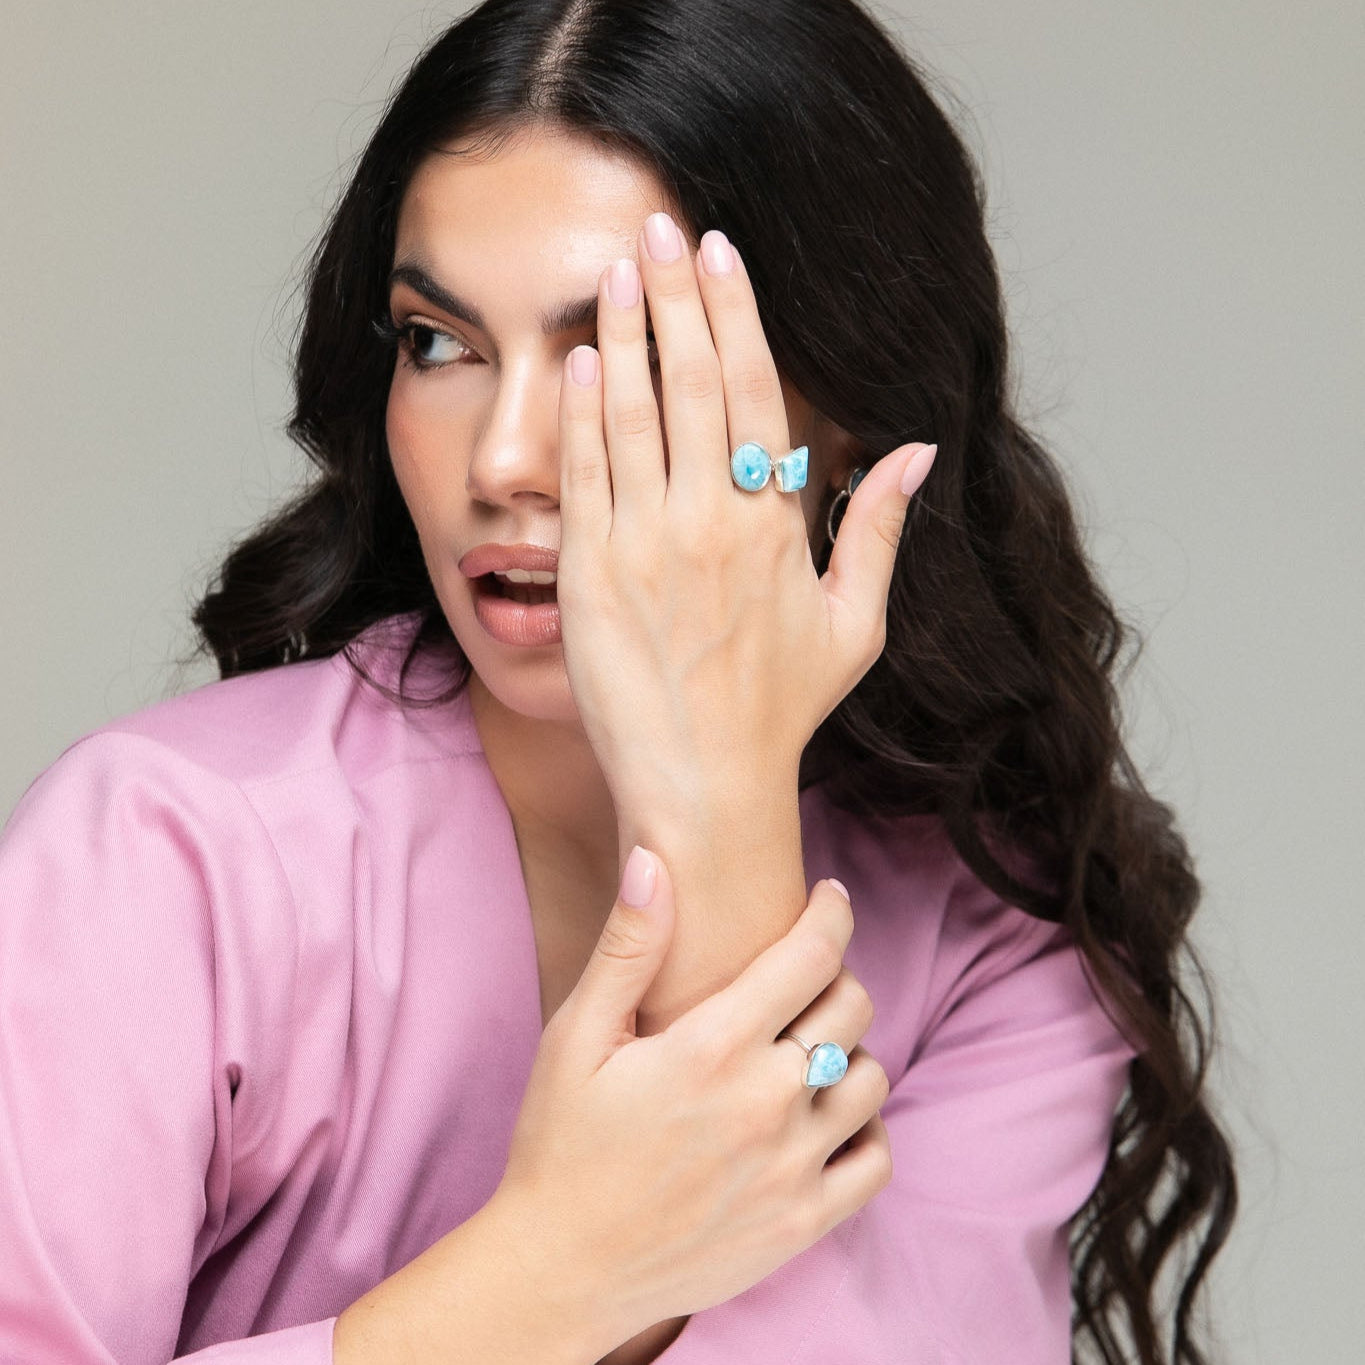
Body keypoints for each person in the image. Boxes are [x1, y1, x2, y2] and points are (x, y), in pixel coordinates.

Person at [0, 0, 1237, 1361]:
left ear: (834, 421)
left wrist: (716, 813)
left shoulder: (996, 929)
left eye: (622, 353)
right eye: (437, 344)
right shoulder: (166, 852)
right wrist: (550, 1272)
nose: (505, 460)